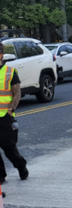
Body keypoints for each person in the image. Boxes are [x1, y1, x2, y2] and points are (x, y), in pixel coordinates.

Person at [0, 42, 29, 193]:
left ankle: (21, 166)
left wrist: (11, 109)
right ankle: (0, 175)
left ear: (0, 55)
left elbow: (16, 92)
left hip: (5, 115)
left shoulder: (10, 72)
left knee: (8, 147)